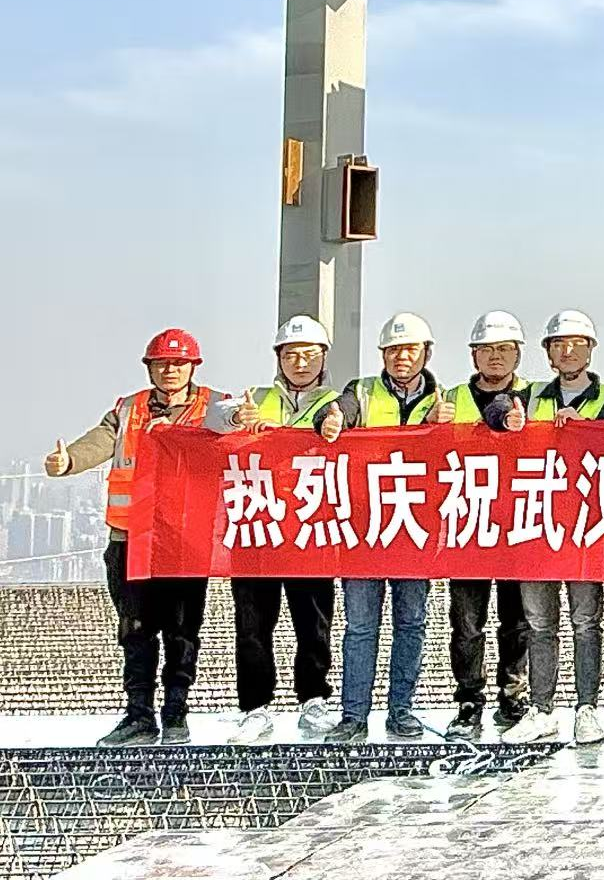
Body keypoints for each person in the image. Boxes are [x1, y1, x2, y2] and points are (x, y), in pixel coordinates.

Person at [43, 328, 217, 746]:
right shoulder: (128, 409)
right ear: (149, 368)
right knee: (136, 630)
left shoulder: (213, 407)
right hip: (131, 538)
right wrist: (68, 462)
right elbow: (98, 442)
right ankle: (139, 716)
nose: (170, 370)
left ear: (193, 367)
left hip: (184, 541)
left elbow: (241, 430)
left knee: (182, 630)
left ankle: (176, 714)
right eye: (162, 363)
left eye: (179, 363)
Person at [207, 314, 344, 744]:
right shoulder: (258, 398)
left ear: (323, 358)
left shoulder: (338, 403)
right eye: (291, 355)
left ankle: (313, 700)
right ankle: (255, 707)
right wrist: (235, 417)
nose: (300, 363)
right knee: (252, 623)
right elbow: (212, 419)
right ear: (278, 358)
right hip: (258, 527)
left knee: (314, 622)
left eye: (309, 355)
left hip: (310, 529)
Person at [328, 312, 443, 744]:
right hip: (365, 528)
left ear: (426, 353)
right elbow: (342, 411)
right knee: (360, 626)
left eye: (409, 349)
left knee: (410, 623)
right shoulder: (361, 392)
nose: (401, 357)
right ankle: (353, 716)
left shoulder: (444, 401)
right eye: (393, 350)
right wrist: (333, 418)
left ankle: (402, 711)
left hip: (415, 528)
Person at [503, 309, 604, 746]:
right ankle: (542, 709)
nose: (567, 351)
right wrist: (506, 419)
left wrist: (589, 432)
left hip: (587, 527)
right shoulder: (530, 398)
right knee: (539, 623)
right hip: (539, 526)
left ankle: (587, 708)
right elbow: (498, 410)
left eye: (576, 344)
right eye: (558, 344)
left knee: (586, 621)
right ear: (548, 353)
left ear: (590, 350)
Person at [438, 310, 533, 742]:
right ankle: (468, 699)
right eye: (487, 349)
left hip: (518, 525)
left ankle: (513, 695)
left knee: (517, 622)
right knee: (466, 624)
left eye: (505, 349)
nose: (496, 357)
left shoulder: (536, 397)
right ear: (473, 354)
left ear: (518, 354)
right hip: (467, 526)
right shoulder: (450, 399)